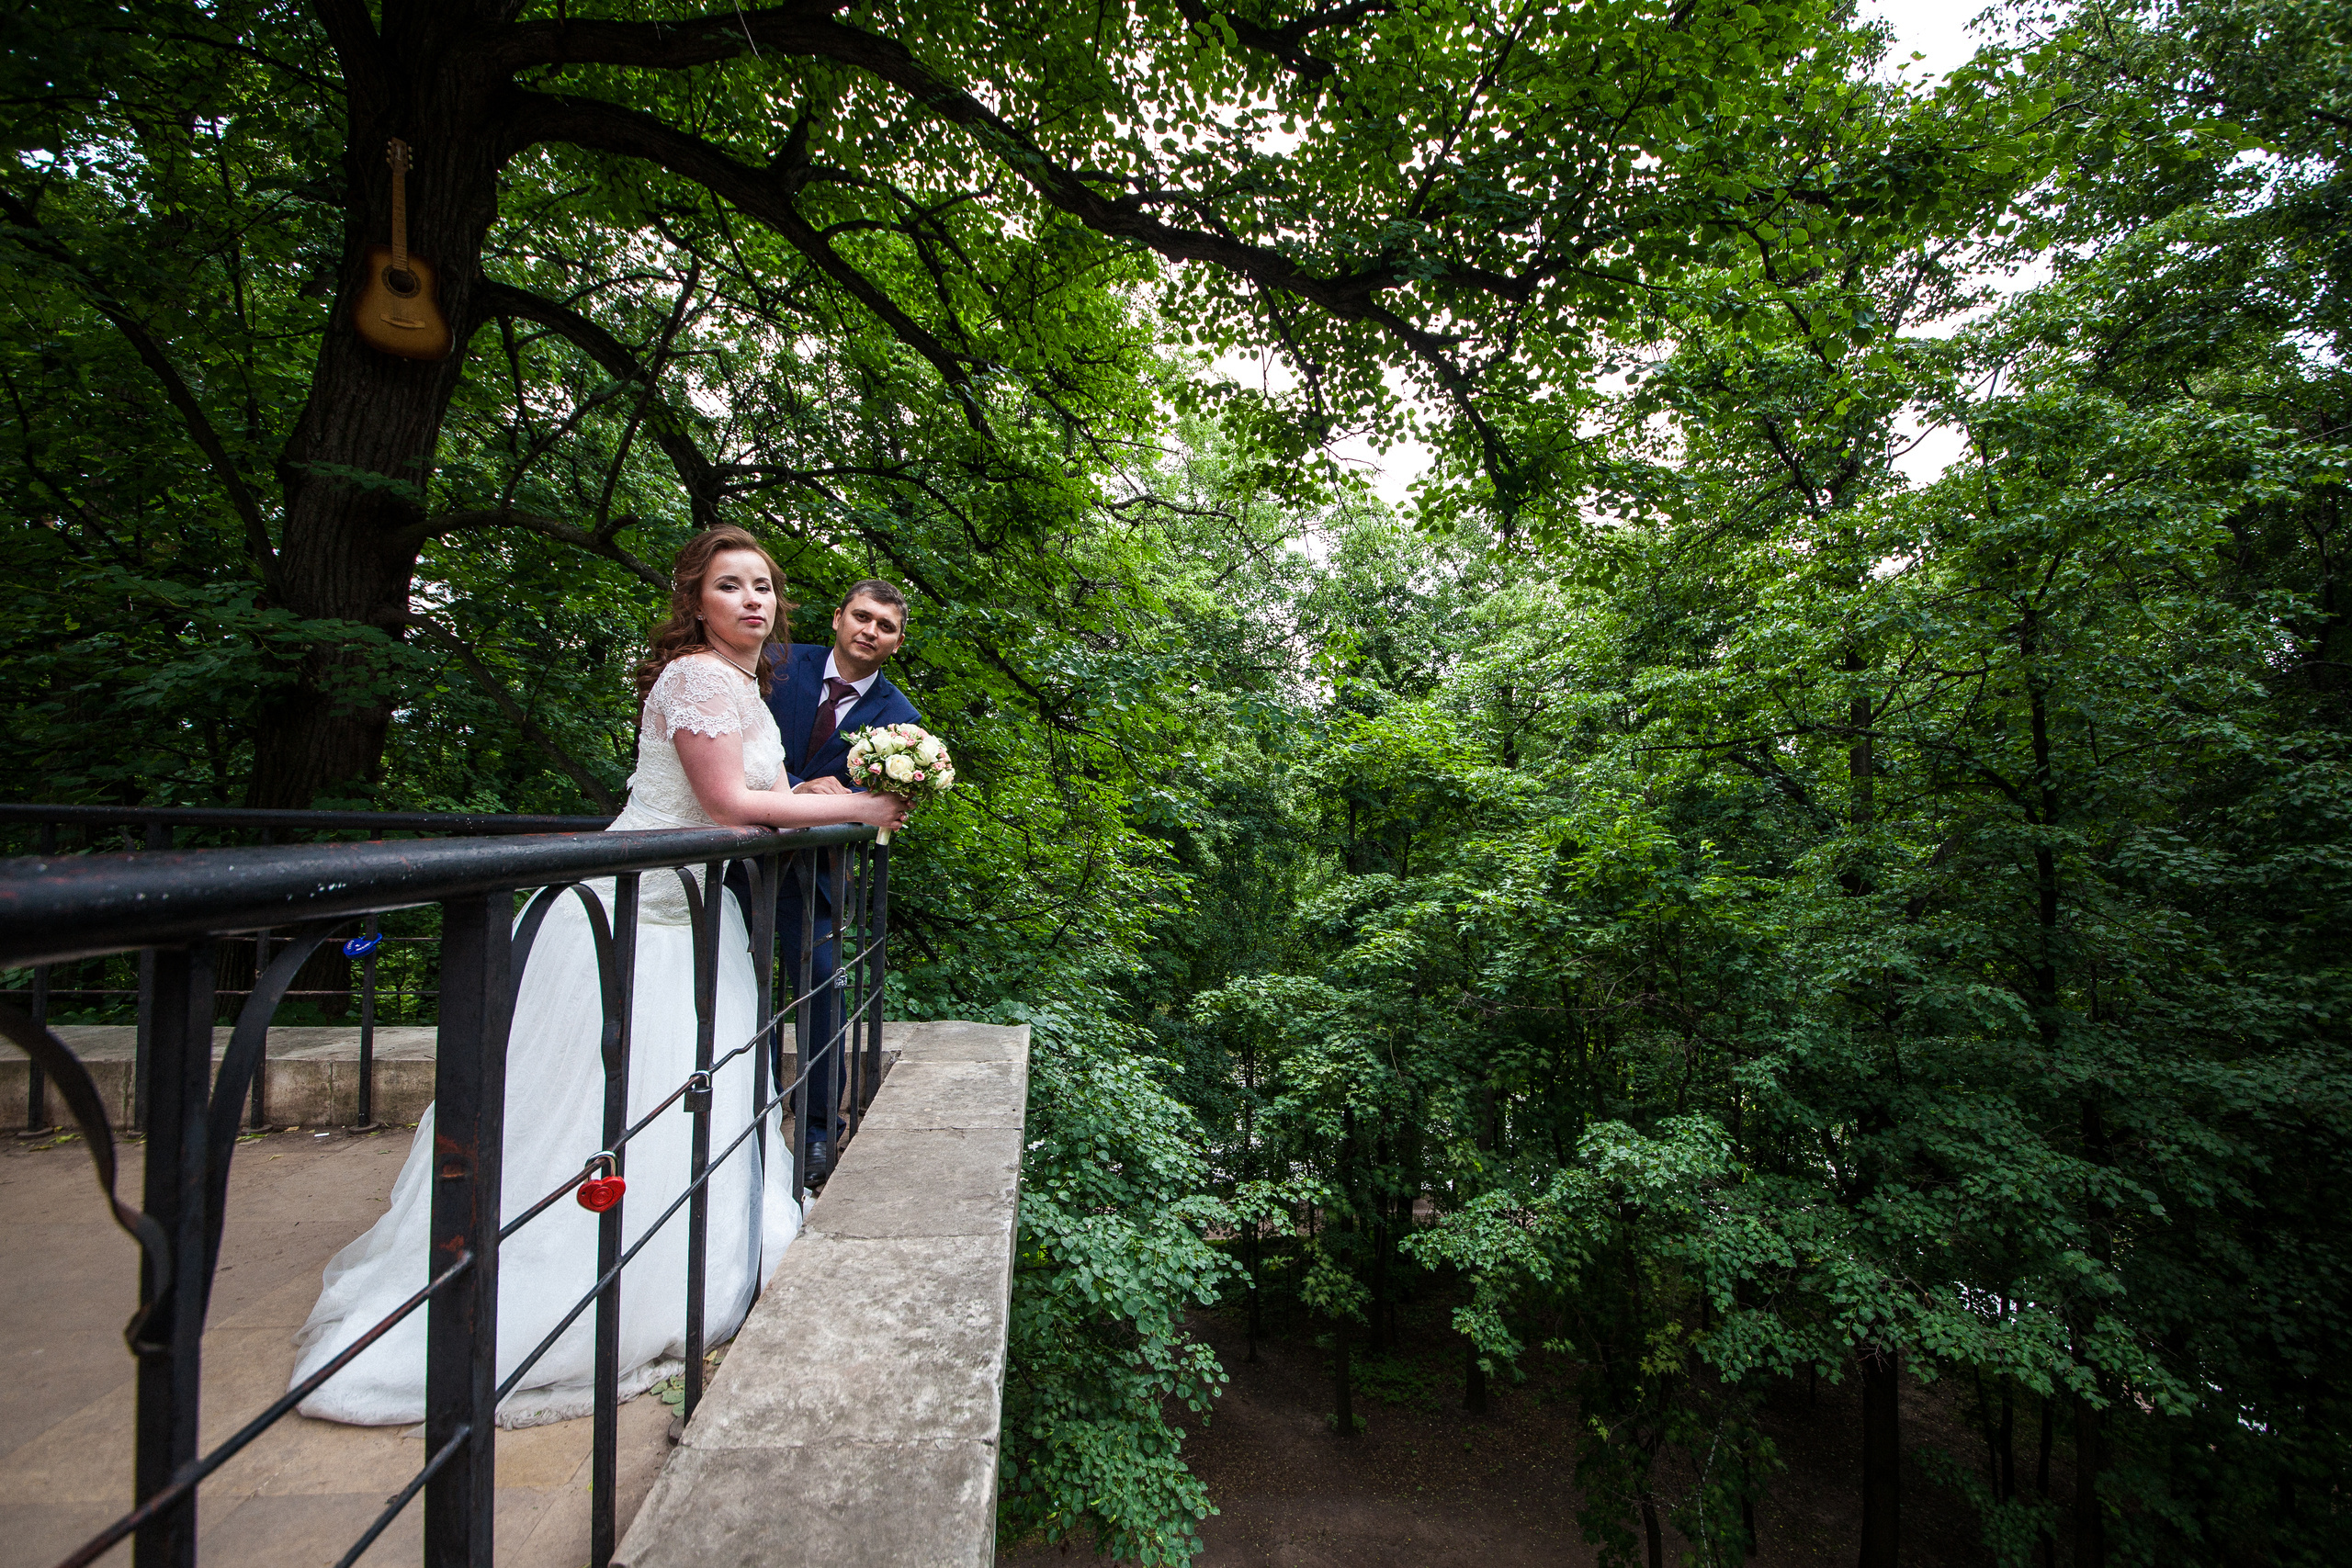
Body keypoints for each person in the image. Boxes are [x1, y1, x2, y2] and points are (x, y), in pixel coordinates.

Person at [287, 526, 907, 1427]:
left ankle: (658, 1253)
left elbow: (744, 789)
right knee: (609, 1096)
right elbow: (728, 805)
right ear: (696, 599)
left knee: (672, 1093)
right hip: (643, 914)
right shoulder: (697, 675)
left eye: (765, 587)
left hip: (696, 915)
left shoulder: (739, 683)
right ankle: (570, 1276)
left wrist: (815, 799)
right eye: (731, 585)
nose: (754, 601)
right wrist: (858, 804)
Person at [764, 580, 922, 1180]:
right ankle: (737, 1111)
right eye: (862, 616)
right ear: (838, 618)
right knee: (729, 982)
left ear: (897, 643)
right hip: (733, 861)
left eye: (885, 625)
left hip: (814, 876)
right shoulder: (776, 664)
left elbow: (881, 804)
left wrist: (850, 799)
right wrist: (796, 788)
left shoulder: (900, 719)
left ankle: (815, 1132)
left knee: (825, 985)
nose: (870, 630)